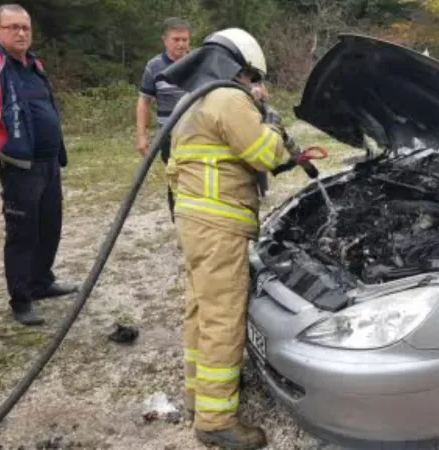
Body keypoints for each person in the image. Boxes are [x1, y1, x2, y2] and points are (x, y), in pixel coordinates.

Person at [161, 28, 300, 449]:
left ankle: (198, 395)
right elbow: (265, 154)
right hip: (219, 223)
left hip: (194, 219)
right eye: (252, 76)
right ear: (238, 67)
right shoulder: (228, 98)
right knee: (223, 315)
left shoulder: (193, 101)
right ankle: (216, 420)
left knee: (200, 308)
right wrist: (272, 125)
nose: (254, 84)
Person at [0, 4, 77, 326]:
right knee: (23, 233)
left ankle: (42, 282)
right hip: (18, 166)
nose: (21, 33)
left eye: (25, 27)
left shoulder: (34, 64)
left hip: (48, 162)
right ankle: (21, 298)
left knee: (49, 226)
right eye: (13, 27)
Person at [136, 17, 191, 218]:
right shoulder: (154, 66)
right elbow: (144, 102)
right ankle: (180, 225)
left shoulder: (198, 62)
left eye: (185, 39)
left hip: (198, 134)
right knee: (175, 181)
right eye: (176, 39)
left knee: (198, 181)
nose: (181, 44)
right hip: (168, 137)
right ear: (165, 40)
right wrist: (141, 135)